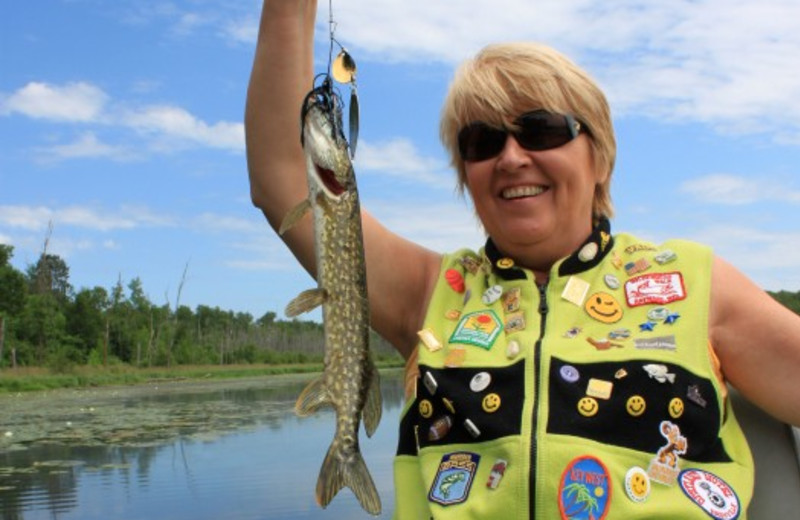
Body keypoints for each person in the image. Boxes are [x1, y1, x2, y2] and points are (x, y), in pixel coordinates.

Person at [245, 1, 800, 517]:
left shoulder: (693, 282)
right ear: (466, 176)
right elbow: (282, 178)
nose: (511, 157)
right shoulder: (432, 291)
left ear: (600, 156)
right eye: (481, 142)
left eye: (541, 129)